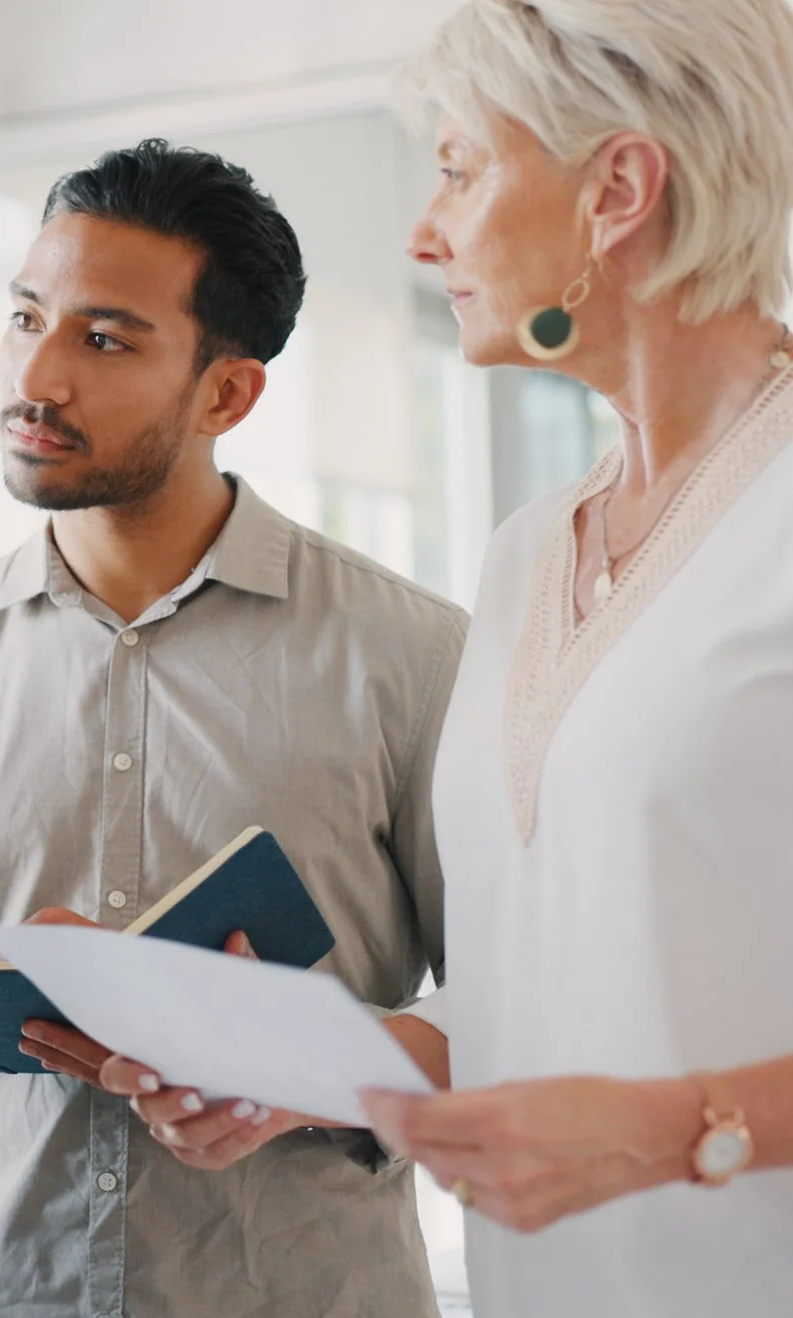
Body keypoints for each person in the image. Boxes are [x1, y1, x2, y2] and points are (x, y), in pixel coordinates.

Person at [0, 139, 467, 1317]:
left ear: (226, 391)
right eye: (23, 318)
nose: (37, 375)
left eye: (103, 339)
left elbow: (517, 1014)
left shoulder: (410, 657)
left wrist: (296, 1066)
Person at [346, 2, 793, 1314]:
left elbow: (644, 1082)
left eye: (459, 167)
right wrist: (343, 1067)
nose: (425, 234)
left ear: (617, 189)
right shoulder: (527, 548)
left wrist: (674, 1130)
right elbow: (561, 968)